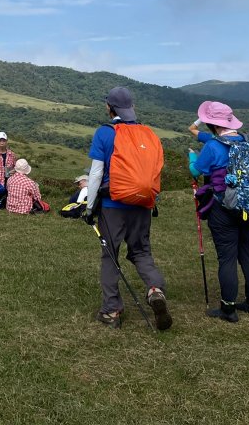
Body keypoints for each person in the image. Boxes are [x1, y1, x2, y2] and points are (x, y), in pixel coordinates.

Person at [82, 86, 171, 331]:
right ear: (131, 107)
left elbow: (96, 173)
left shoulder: (105, 133)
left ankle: (111, 311)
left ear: (109, 107)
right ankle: (155, 289)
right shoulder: (149, 133)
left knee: (110, 255)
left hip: (112, 204)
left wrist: (89, 208)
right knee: (141, 251)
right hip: (142, 203)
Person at [191, 101, 249, 322]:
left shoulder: (213, 146)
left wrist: (192, 158)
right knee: (247, 252)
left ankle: (228, 308)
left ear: (212, 124)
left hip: (223, 207)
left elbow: (198, 169)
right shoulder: (248, 141)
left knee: (227, 257)